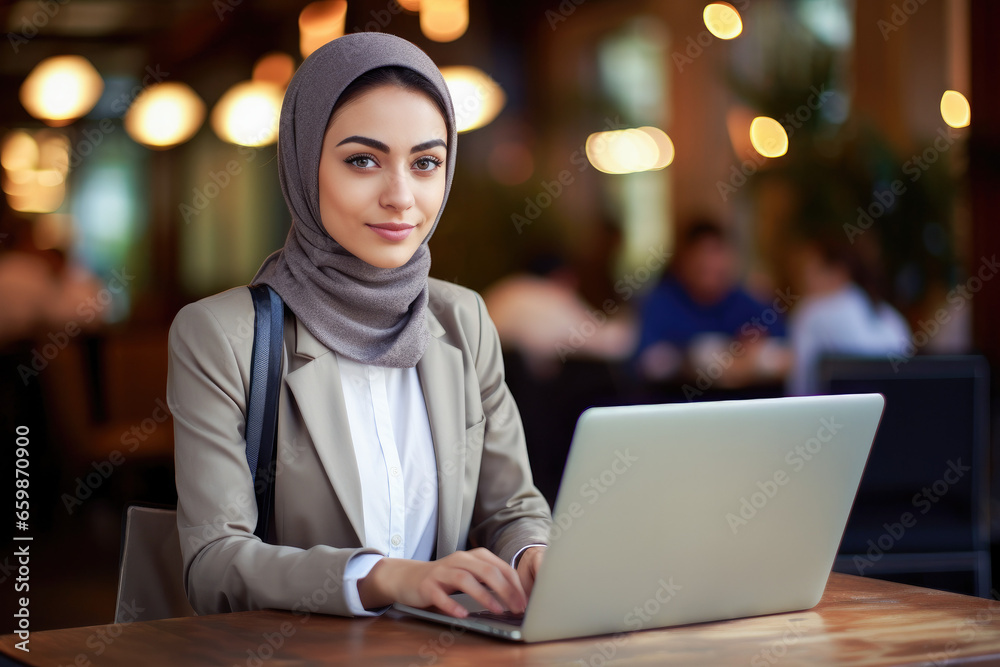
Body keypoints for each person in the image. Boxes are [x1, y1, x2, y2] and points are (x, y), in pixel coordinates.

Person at [167, 33, 552, 620]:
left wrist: (532, 553)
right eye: (363, 160)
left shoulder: (464, 320)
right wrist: (383, 579)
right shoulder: (221, 336)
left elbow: (510, 508)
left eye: (426, 163)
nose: (401, 196)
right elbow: (214, 565)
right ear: (302, 163)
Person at [635, 219, 789, 388]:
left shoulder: (748, 303)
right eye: (701, 257)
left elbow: (787, 354)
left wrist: (754, 356)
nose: (709, 263)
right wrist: (694, 359)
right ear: (684, 261)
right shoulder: (660, 304)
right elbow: (647, 361)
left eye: (716, 254)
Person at [785, 233, 911, 396]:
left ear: (839, 273)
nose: (804, 279)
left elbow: (799, 383)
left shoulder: (812, 311)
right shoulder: (890, 315)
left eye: (812, 270)